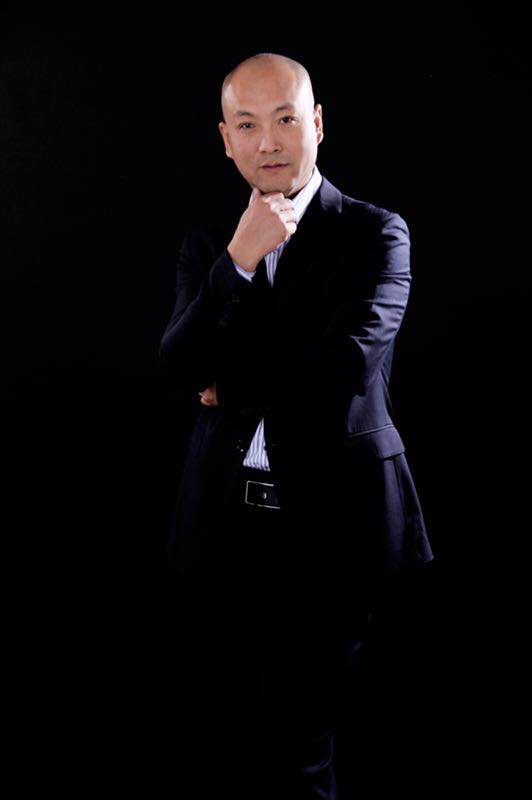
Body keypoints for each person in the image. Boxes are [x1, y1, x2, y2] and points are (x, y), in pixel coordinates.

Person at [159, 52, 435, 800]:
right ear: (226, 139)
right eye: (248, 125)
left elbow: (345, 367)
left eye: (285, 119)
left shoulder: (377, 233)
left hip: (332, 528)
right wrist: (240, 261)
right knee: (219, 742)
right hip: (222, 525)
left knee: (299, 754)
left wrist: (231, 383)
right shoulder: (212, 240)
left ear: (316, 123)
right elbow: (177, 368)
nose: (270, 142)